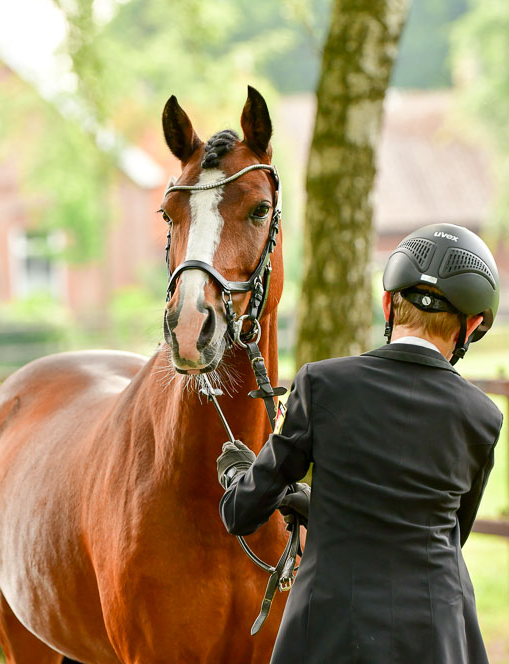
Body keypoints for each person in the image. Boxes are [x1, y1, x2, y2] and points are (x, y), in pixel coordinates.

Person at [216, 223, 503, 664]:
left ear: (387, 304)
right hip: (435, 635)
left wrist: (238, 473)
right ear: (473, 325)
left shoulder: (322, 384)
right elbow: (448, 532)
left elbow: (242, 512)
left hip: (330, 632)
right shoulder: (483, 417)